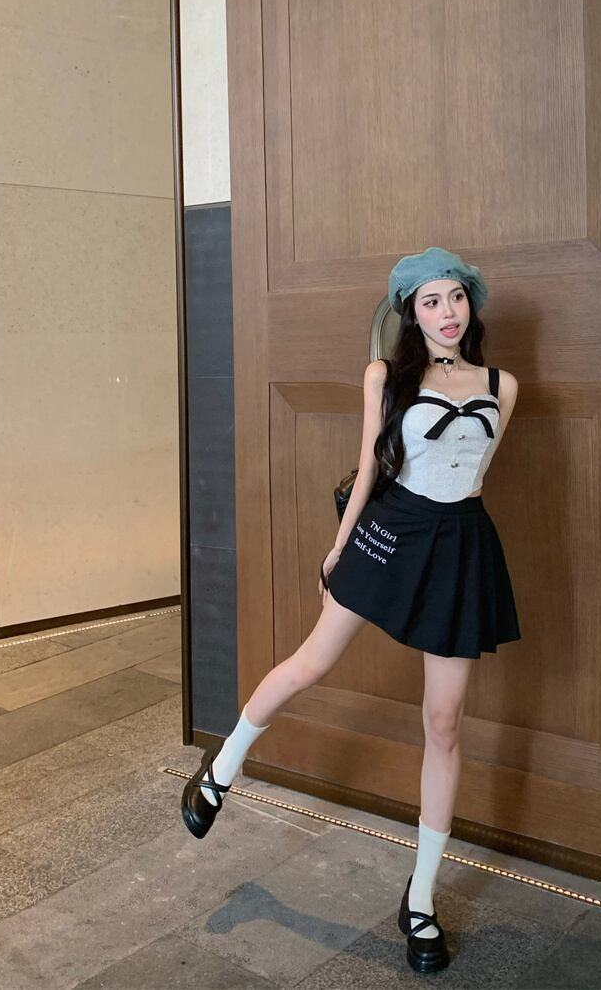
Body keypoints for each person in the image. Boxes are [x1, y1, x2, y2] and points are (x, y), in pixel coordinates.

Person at [181, 246, 522, 974]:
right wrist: (339, 549)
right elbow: (371, 465)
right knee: (313, 661)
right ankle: (222, 767)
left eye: (456, 297)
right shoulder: (385, 377)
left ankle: (421, 898)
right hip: (390, 532)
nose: (447, 312)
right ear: (410, 313)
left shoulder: (503, 385)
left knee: (444, 722)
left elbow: (476, 472)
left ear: (471, 303)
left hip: (460, 544)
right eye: (430, 301)